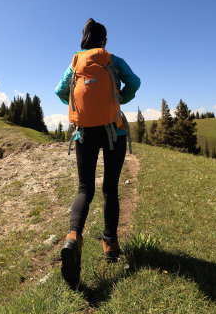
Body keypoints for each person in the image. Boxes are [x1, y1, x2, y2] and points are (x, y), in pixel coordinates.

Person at [54, 18, 140, 288]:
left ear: (84, 40)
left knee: (84, 188)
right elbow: (135, 83)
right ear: (104, 41)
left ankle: (73, 236)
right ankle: (110, 244)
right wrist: (119, 99)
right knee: (110, 189)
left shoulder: (75, 63)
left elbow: (59, 91)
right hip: (115, 130)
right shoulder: (112, 59)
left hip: (84, 134)